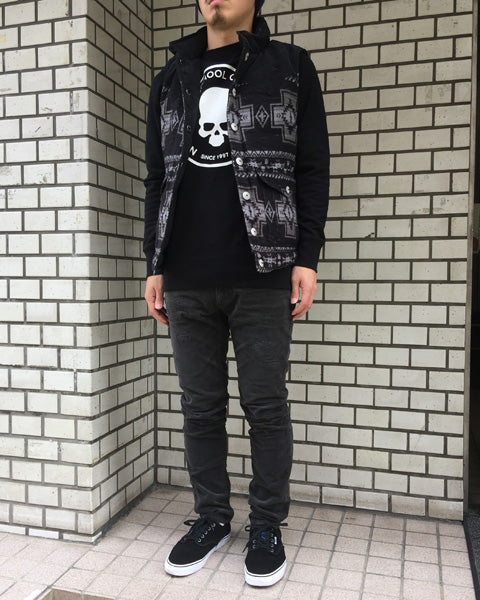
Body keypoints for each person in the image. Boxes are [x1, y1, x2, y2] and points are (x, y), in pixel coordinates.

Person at [143, 0, 329, 587]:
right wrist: (154, 263)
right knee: (199, 407)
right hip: (185, 271)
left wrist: (306, 257)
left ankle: (267, 525)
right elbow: (157, 177)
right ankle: (212, 517)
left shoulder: (289, 66)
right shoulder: (172, 76)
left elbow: (311, 167)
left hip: (264, 265)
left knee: (265, 405)